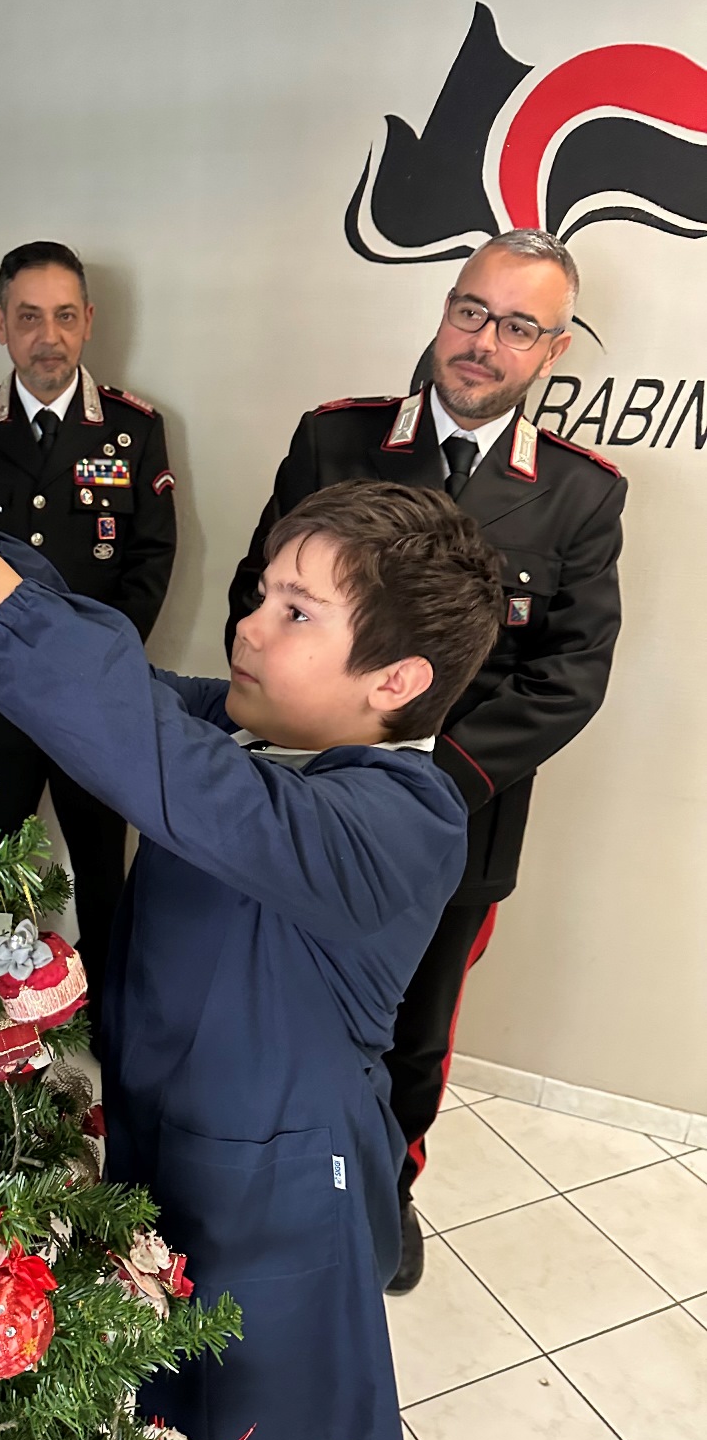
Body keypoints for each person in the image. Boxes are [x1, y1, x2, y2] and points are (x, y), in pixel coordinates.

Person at [0, 408, 503, 1440]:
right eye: (262, 591)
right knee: (180, 1379)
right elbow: (112, 683)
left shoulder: (402, 820)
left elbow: (170, 773)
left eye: (294, 612)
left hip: (282, 1188)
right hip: (173, 1135)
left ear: (396, 679)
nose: (248, 623)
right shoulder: (241, 725)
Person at [226, 229, 626, 1294]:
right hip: (307, 795)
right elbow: (254, 596)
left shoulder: (579, 495)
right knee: (281, 994)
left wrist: (418, 782)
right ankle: (270, 1174)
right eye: (469, 310)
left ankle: (385, 1189)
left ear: (551, 348)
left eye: (517, 326)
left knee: (413, 1026)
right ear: (443, 311)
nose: (482, 340)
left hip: (458, 820)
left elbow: (568, 676)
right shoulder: (336, 441)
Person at [0, 241, 177, 1019]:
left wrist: (93, 663)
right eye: (29, 317)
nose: (49, 336)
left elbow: (152, 555)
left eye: (65, 316)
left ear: (89, 322)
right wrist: (4, 658)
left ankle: (112, 1018)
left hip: (97, 703)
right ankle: (9, 1013)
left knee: (103, 865)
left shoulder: (134, 429)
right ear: (1, 325)